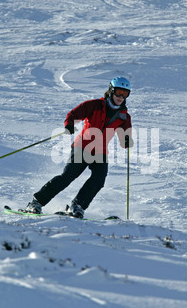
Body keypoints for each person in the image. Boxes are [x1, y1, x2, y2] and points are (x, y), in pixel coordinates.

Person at [22, 77, 134, 218]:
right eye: (118, 92)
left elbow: (125, 137)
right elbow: (73, 114)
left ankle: (77, 206)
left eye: (125, 94)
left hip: (100, 151)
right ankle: (36, 202)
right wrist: (69, 124)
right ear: (111, 91)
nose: (121, 97)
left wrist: (126, 140)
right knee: (68, 177)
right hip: (83, 146)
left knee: (99, 180)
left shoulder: (124, 117)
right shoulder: (95, 105)